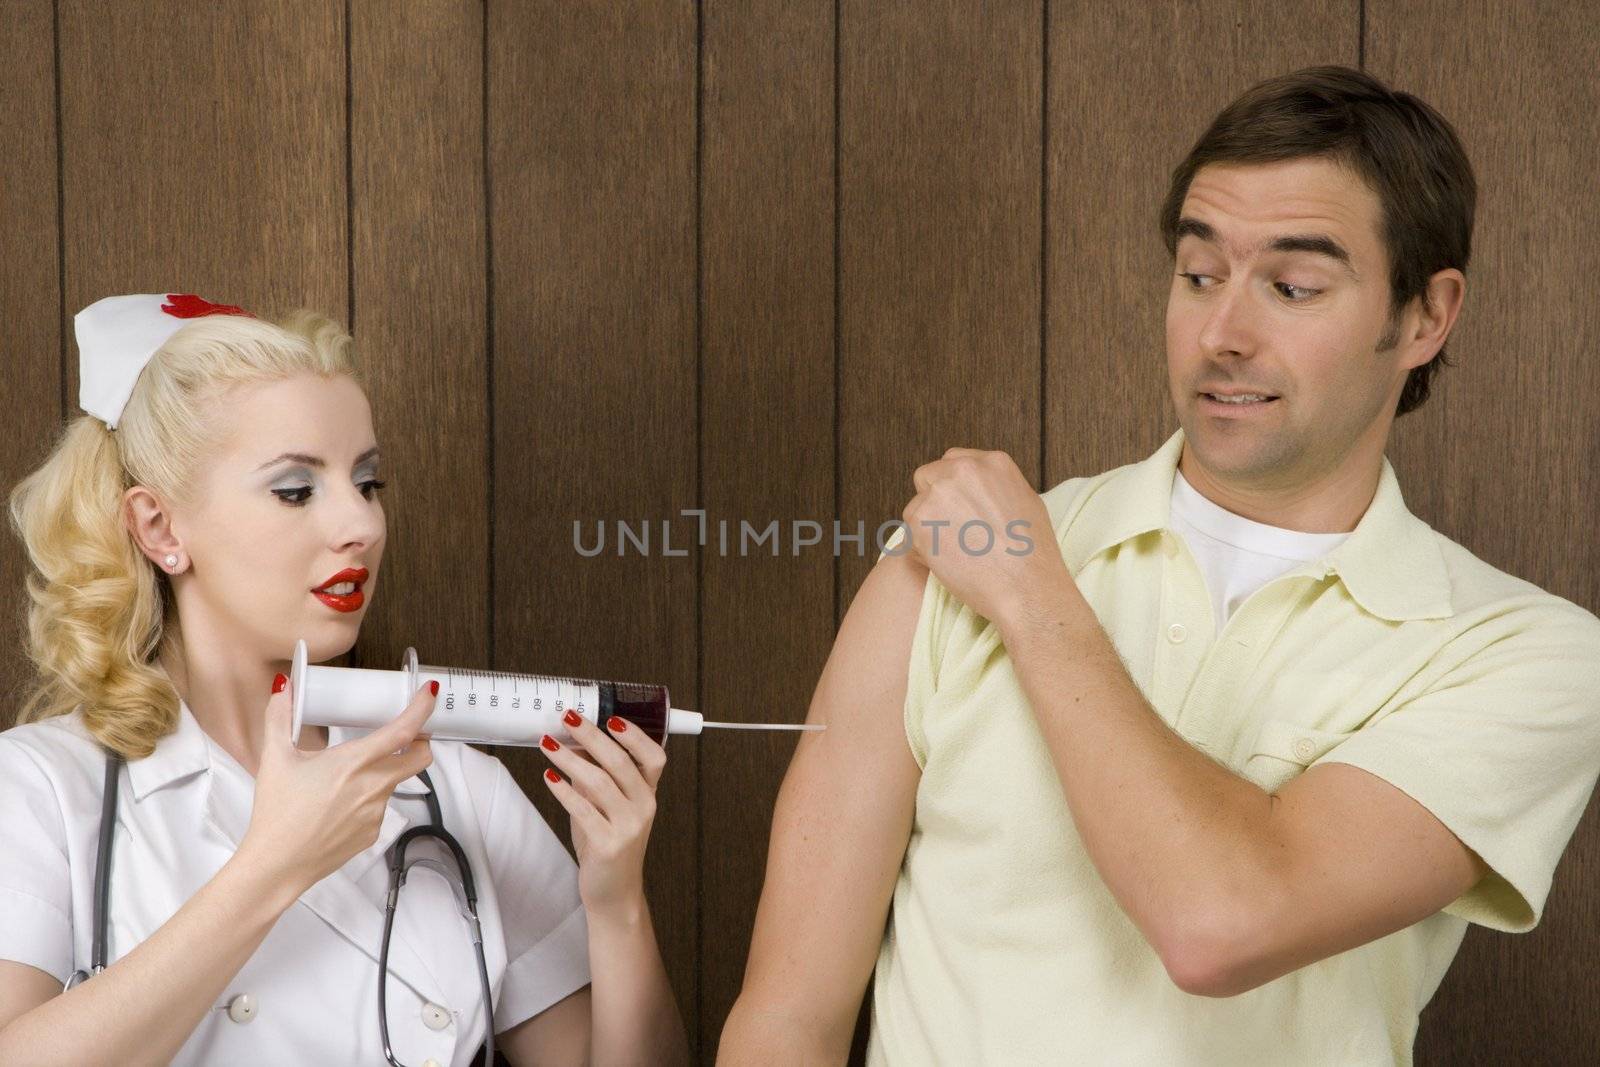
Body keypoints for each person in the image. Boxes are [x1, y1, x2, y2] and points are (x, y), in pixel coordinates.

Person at [720, 65, 1600, 1065]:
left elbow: (1221, 923)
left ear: (1424, 316)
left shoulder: (1524, 656)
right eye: (1197, 274)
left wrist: (1030, 596)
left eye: (1292, 285)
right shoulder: (936, 570)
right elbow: (786, 1014)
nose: (1222, 333)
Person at [0, 295, 689, 1066]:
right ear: (160, 527)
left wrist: (617, 901)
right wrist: (273, 865)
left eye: (367, 482)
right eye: (296, 489)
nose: (361, 525)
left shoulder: (461, 790)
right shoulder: (38, 789)